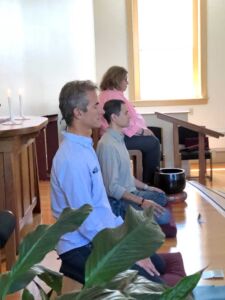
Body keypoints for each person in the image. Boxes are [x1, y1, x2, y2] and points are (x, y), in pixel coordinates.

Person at [51, 80, 166, 285]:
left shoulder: (85, 146)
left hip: (99, 235)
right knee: (152, 283)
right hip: (80, 247)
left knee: (158, 264)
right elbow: (86, 222)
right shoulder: (71, 159)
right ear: (78, 112)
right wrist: (123, 248)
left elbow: (101, 208)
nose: (101, 109)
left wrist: (126, 234)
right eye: (96, 105)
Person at [96, 99, 171, 225]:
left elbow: (127, 176)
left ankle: (139, 215)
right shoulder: (107, 145)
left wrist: (148, 187)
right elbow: (111, 189)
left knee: (161, 196)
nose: (129, 115)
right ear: (114, 117)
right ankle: (127, 217)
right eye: (126, 113)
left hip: (130, 192)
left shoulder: (119, 139)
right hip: (117, 201)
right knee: (164, 217)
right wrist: (142, 201)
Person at [99, 66, 160, 184]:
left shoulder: (108, 94)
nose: (127, 82)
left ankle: (147, 181)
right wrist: (142, 131)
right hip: (117, 138)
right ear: (117, 79)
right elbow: (123, 121)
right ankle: (150, 182)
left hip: (117, 135)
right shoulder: (113, 96)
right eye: (125, 79)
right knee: (153, 143)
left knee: (151, 140)